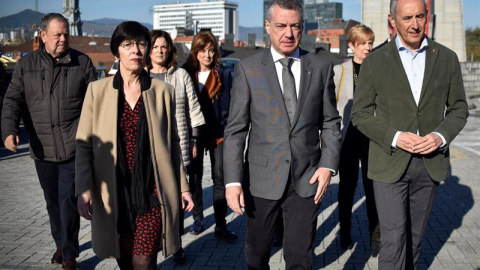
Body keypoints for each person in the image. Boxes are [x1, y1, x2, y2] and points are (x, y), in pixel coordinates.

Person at [223, 0, 342, 268]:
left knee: (300, 256)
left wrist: (327, 166)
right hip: (261, 179)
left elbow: (331, 122)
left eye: (295, 26)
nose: (288, 33)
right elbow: (236, 130)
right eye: (280, 25)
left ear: (302, 27)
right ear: (267, 27)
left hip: (306, 178)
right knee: (257, 254)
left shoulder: (321, 67)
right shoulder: (248, 69)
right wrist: (232, 182)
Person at [350, 0, 469, 269]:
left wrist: (440, 136)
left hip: (430, 165)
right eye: (407, 18)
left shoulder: (447, 58)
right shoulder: (376, 61)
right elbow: (360, 114)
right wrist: (396, 136)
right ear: (392, 21)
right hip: (389, 161)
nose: (414, 24)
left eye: (419, 16)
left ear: (427, 16)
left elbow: (459, 109)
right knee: (393, 239)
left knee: (414, 240)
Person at [75, 21, 194, 270]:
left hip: (152, 191)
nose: (135, 51)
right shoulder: (97, 91)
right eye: (127, 45)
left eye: (141, 44)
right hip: (114, 193)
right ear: (116, 51)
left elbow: (173, 143)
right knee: (126, 260)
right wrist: (83, 189)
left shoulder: (163, 91)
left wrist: (183, 187)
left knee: (144, 260)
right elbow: (84, 145)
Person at [1, 13, 97, 270]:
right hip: (41, 147)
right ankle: (60, 242)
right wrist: (9, 131)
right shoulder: (26, 65)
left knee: (68, 199)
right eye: (57, 35)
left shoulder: (82, 63)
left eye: (66, 34)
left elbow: (94, 106)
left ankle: (69, 253)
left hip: (73, 145)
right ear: (43, 36)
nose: (63, 39)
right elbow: (13, 101)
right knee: (52, 200)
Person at [147, 29, 206, 263]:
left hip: (178, 143)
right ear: (148, 51)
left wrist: (193, 140)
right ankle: (152, 242)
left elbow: (193, 108)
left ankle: (176, 243)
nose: (160, 51)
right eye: (155, 47)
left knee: (177, 196)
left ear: (170, 49)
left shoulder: (180, 75)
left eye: (164, 46)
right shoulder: (141, 76)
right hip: (150, 145)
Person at [182, 30, 237, 240]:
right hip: (194, 134)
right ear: (195, 52)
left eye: (211, 50)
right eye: (203, 51)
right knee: (194, 177)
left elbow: (231, 103)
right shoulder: (185, 73)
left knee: (219, 178)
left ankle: (221, 224)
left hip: (219, 133)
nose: (207, 55)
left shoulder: (223, 74)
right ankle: (197, 219)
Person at [334, 24, 380, 256]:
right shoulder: (339, 71)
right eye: (363, 44)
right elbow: (330, 107)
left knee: (373, 190)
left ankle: (375, 234)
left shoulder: (378, 70)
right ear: (352, 46)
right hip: (347, 138)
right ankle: (345, 232)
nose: (368, 48)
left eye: (370, 43)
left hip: (371, 139)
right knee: (347, 189)